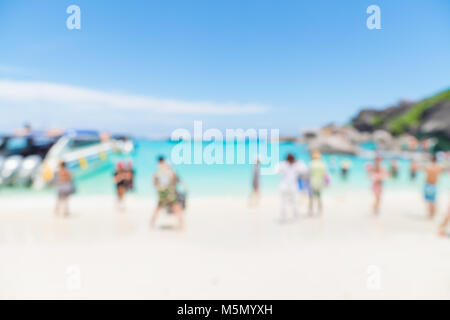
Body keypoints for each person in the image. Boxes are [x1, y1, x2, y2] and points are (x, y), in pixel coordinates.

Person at [150, 156, 184, 230]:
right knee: (176, 206)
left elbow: (154, 182)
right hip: (169, 191)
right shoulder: (169, 170)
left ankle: (151, 223)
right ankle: (181, 225)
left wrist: (159, 188)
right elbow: (174, 180)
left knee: (158, 207)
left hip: (162, 192)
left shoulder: (158, 171)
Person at [277, 153, 308, 222]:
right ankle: (295, 217)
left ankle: (284, 217)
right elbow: (305, 170)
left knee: (284, 202)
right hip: (292, 186)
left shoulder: (283, 164)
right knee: (294, 202)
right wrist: (298, 162)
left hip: (284, 186)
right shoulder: (296, 165)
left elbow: (276, 169)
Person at [422, 154, 443, 219]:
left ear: (431, 160)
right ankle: (433, 214)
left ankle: (430, 214)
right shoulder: (439, 167)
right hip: (434, 185)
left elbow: (422, 169)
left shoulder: (428, 167)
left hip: (428, 185)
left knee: (429, 201)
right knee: (433, 200)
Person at [308, 151, 328, 216]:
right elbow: (325, 174)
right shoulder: (322, 164)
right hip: (320, 183)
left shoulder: (311, 163)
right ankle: (320, 210)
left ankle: (311, 211)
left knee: (311, 197)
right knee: (319, 197)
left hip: (312, 182)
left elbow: (309, 174)